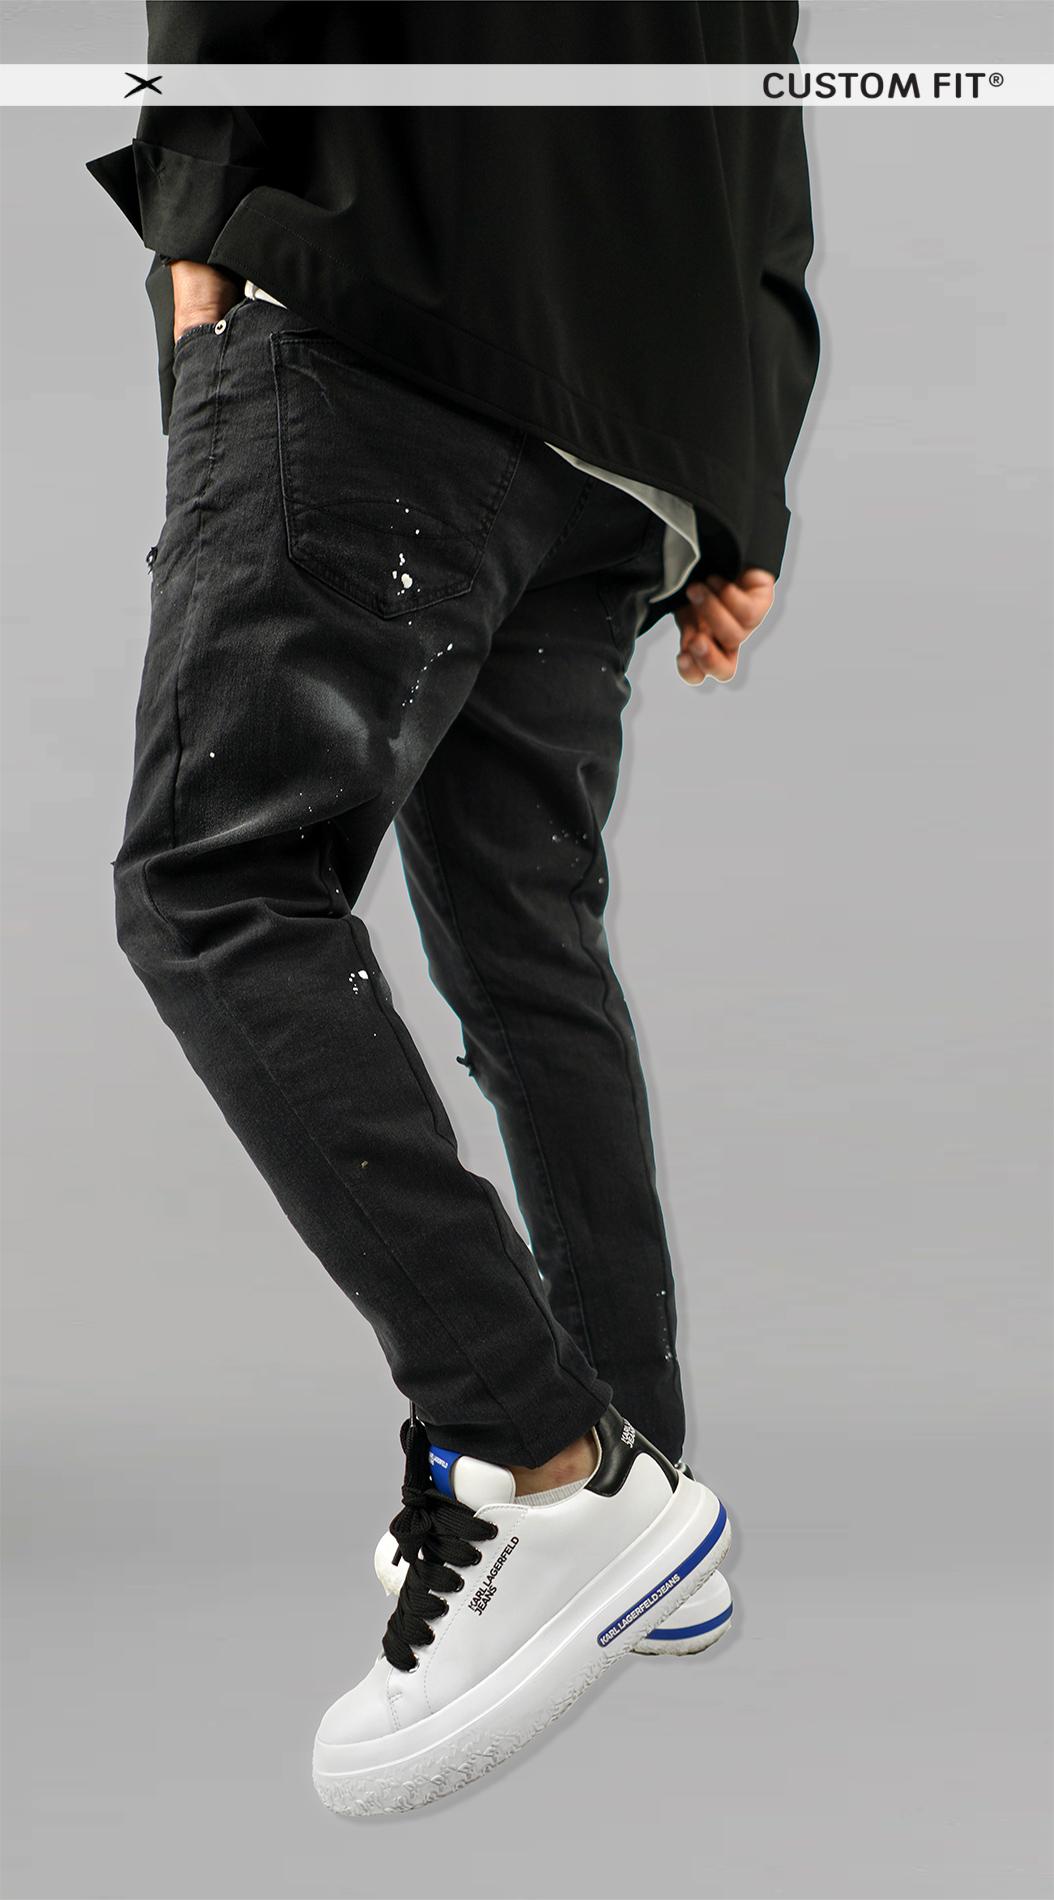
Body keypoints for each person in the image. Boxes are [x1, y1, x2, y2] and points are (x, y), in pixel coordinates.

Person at [86, 1, 820, 1814]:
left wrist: (197, 221)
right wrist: (736, 487)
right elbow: (762, 112)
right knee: (525, 943)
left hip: (384, 300)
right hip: (632, 419)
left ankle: (548, 1461)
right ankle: (649, 1498)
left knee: (215, 887)